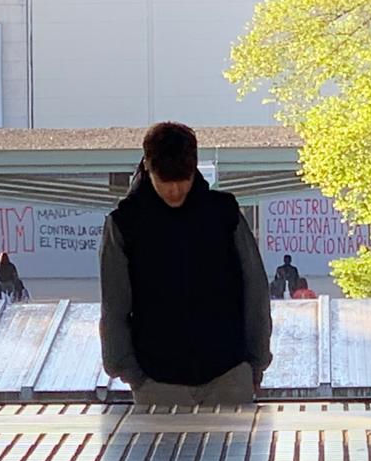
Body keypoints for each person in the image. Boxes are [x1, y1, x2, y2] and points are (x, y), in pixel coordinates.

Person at [100, 121, 272, 404]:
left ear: (194, 170)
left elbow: (255, 290)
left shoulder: (224, 212)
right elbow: (114, 305)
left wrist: (255, 361)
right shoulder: (124, 224)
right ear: (148, 168)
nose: (175, 190)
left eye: (183, 179)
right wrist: (130, 372)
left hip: (228, 374)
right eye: (165, 181)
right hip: (156, 381)